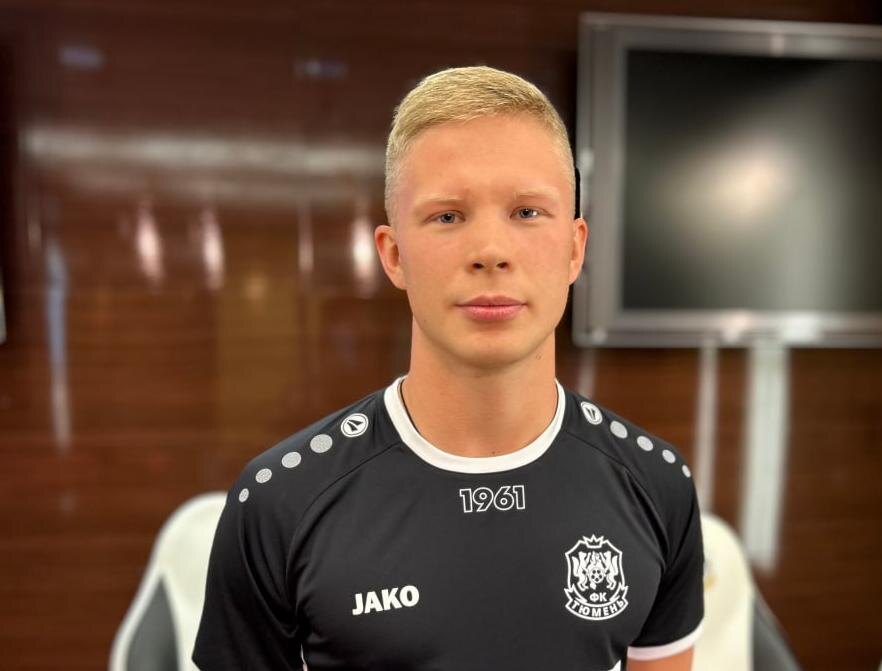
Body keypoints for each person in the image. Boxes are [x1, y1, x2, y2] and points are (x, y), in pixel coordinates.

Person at [192, 65, 704, 671]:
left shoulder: (657, 484)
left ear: (575, 248)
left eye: (527, 212)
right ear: (393, 255)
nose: (490, 252)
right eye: (447, 216)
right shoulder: (280, 501)